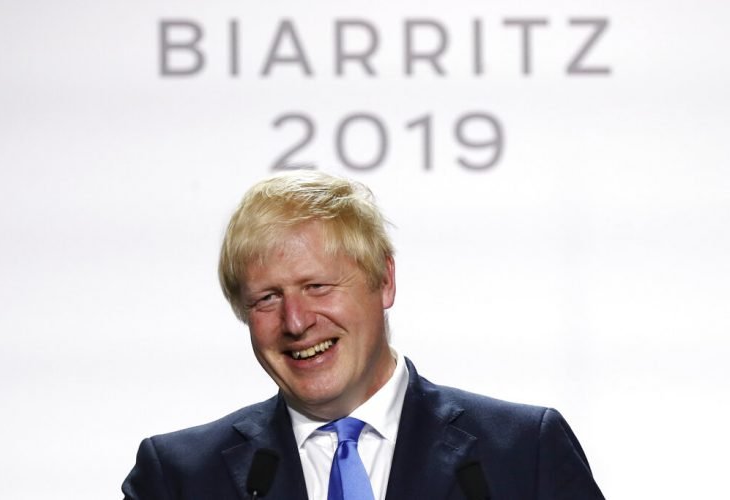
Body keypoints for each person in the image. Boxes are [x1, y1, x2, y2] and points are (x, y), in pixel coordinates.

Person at [122, 171, 605, 499]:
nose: (295, 321)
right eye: (267, 298)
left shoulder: (522, 454)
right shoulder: (178, 479)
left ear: (384, 280)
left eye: (317, 286)